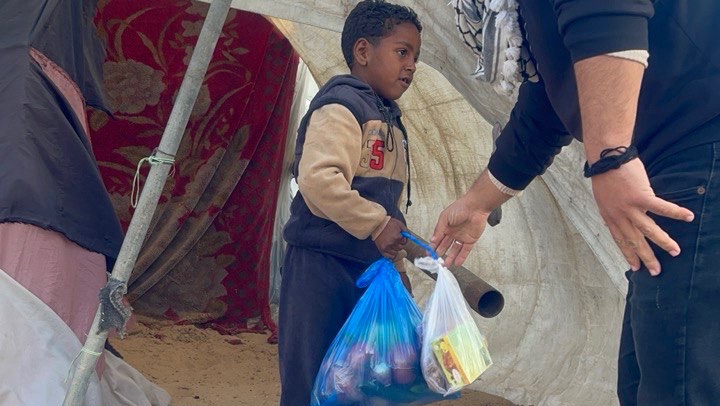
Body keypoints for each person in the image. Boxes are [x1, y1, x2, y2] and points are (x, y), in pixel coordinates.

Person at [433, 1, 720, 405]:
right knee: (643, 381)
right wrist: (479, 203)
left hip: (701, 146)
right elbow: (549, 103)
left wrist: (611, 155)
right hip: (674, 164)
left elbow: (604, 12)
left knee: (679, 384)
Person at [277, 1, 422, 404]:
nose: (411, 66)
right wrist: (376, 225)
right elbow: (319, 180)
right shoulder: (341, 107)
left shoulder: (390, 121)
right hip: (320, 268)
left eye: (415, 57)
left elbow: (388, 210)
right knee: (311, 374)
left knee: (359, 380)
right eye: (402, 52)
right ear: (363, 52)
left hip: (367, 270)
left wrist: (397, 267)